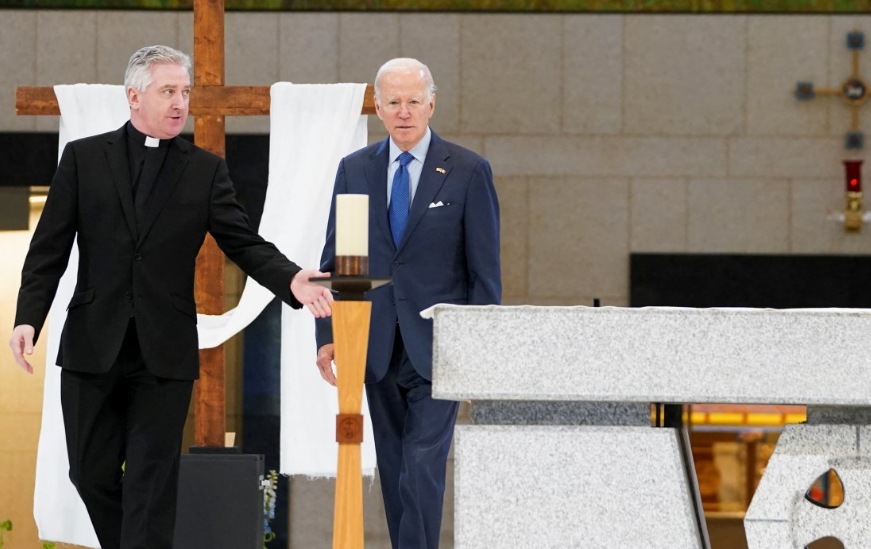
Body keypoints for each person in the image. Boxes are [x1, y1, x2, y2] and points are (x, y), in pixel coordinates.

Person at [7, 45, 334, 549]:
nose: (181, 102)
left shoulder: (205, 170)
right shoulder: (84, 158)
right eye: (168, 92)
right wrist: (28, 317)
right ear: (134, 96)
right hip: (93, 345)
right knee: (88, 475)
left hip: (165, 351)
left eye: (185, 92)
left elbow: (241, 241)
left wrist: (289, 278)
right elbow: (48, 247)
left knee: (150, 481)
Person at [315, 58, 501, 549]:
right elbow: (337, 260)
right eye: (393, 102)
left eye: (414, 101)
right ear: (377, 107)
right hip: (371, 344)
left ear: (431, 104)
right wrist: (328, 335)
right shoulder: (355, 169)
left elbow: (485, 273)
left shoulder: (467, 171)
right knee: (397, 467)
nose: (404, 111)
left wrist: (479, 353)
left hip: (440, 349)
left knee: (421, 464)